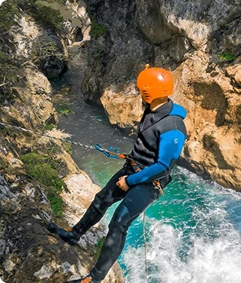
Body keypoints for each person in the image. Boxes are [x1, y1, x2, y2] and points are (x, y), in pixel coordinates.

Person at [48, 65, 187, 283]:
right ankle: (74, 235)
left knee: (119, 222)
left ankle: (94, 279)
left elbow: (163, 166)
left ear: (149, 92)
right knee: (101, 200)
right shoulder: (153, 106)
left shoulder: (174, 126)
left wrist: (130, 181)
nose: (140, 92)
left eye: (142, 89)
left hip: (149, 181)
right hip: (133, 167)